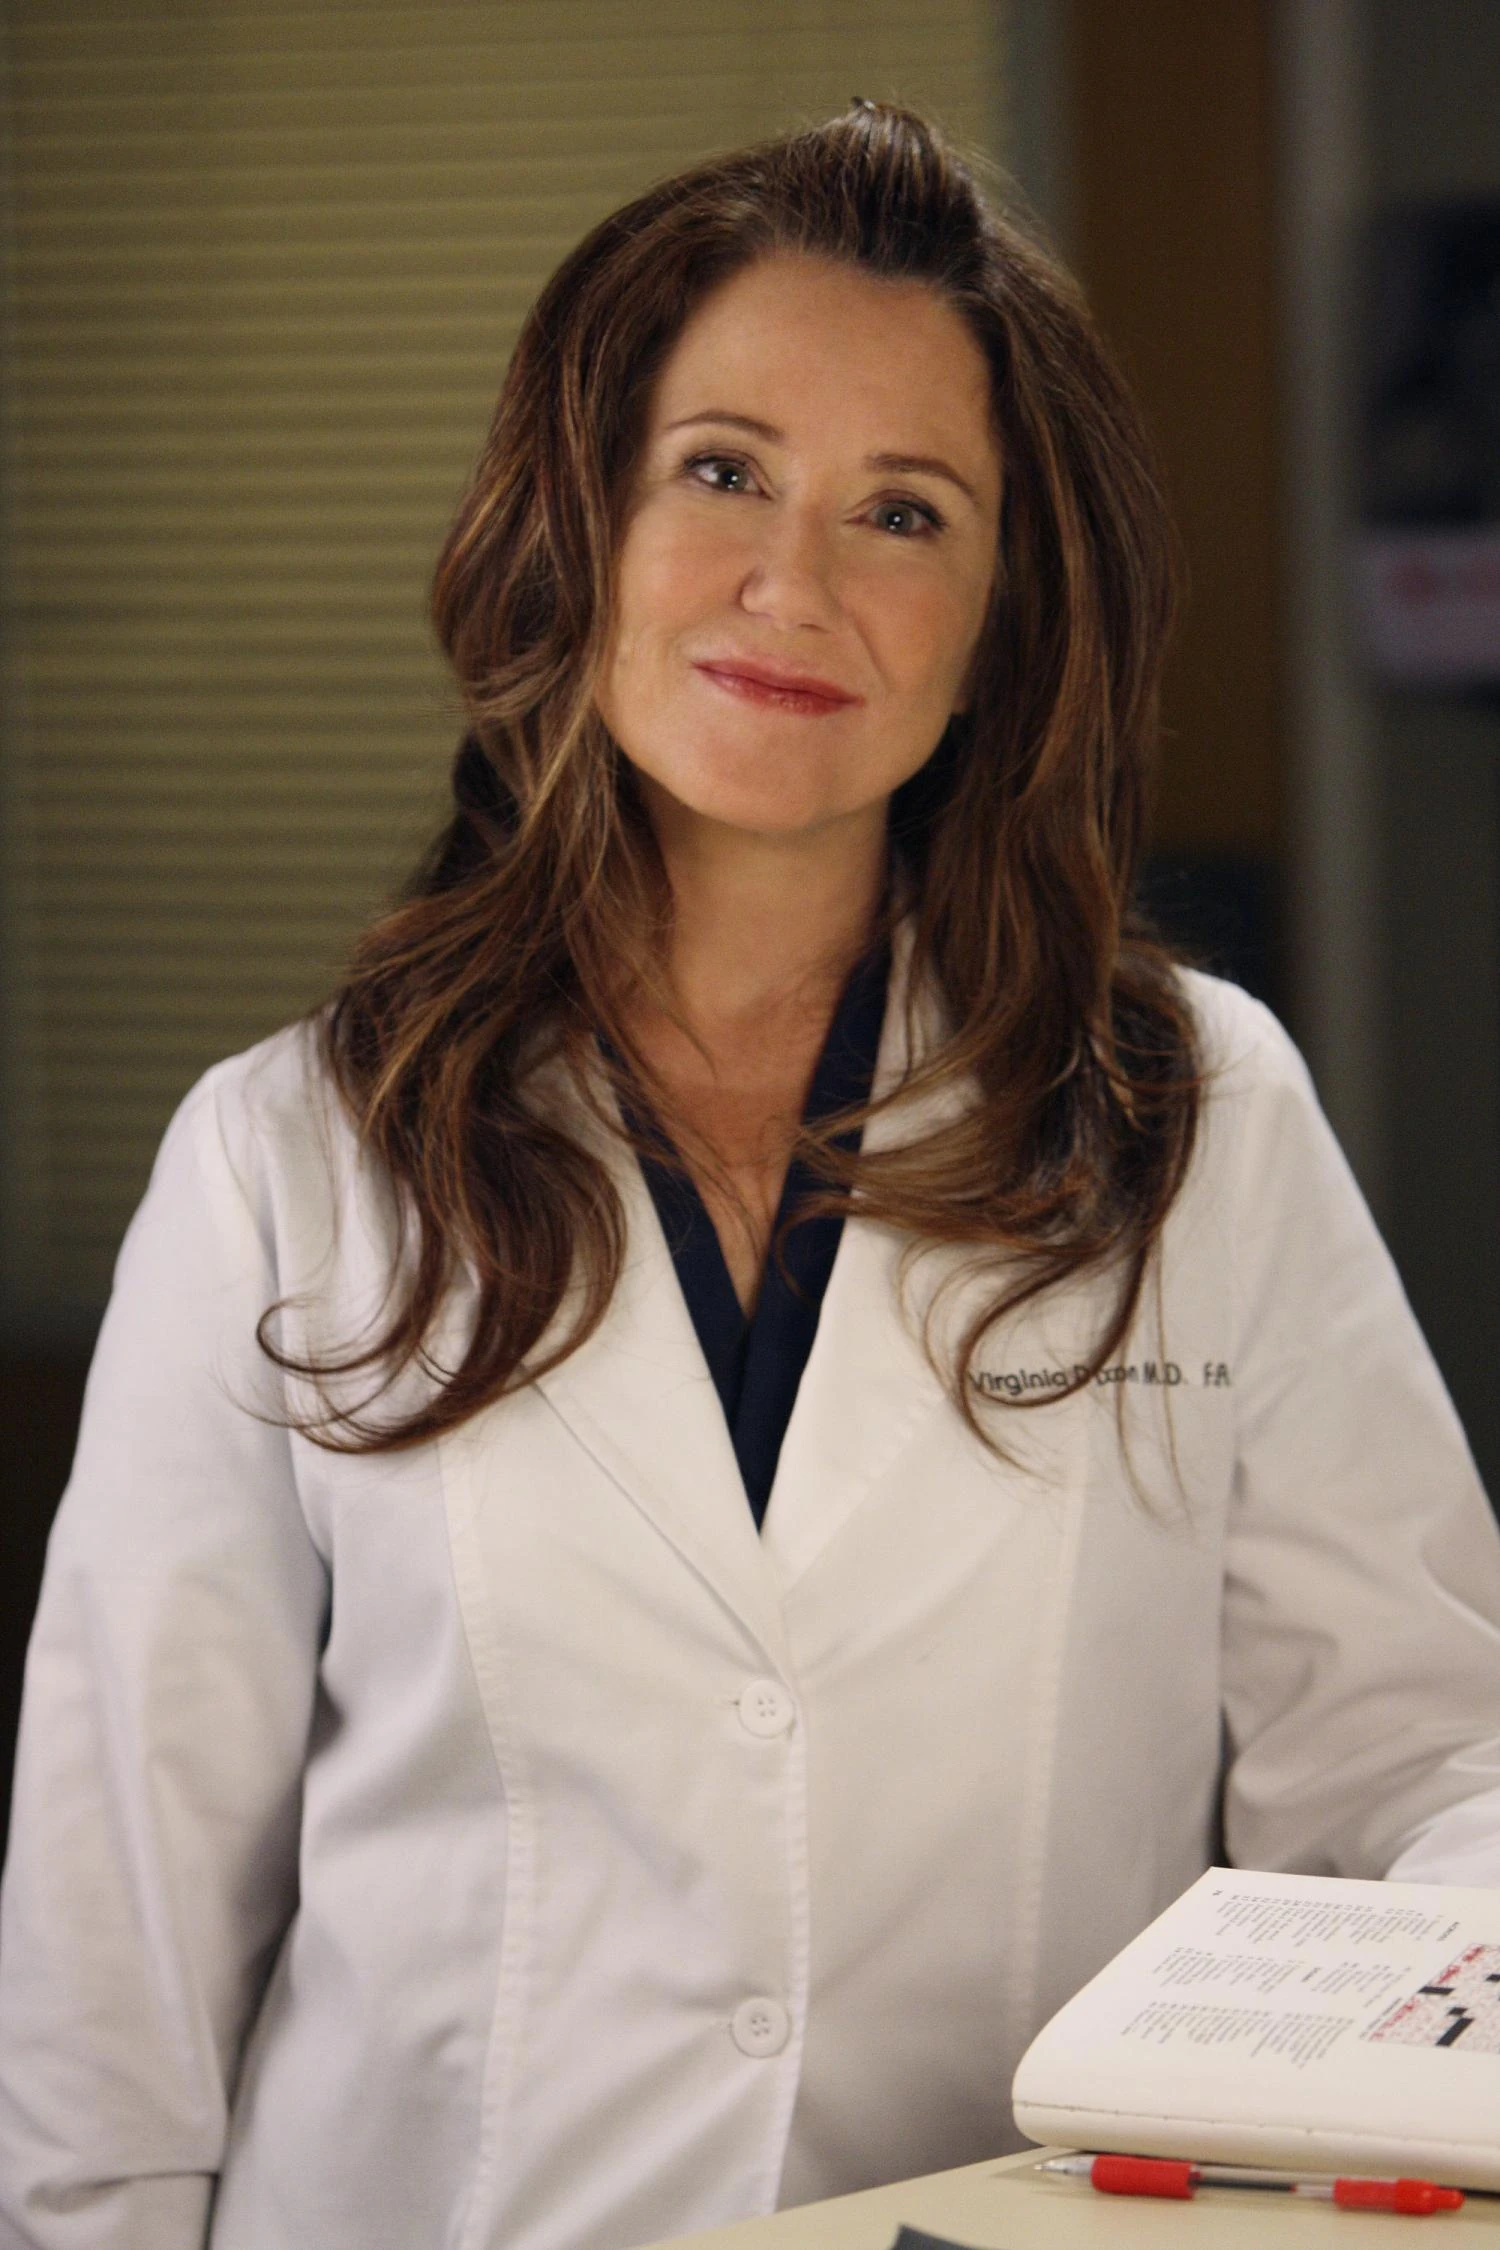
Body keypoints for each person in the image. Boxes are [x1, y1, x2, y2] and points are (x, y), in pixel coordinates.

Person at [1, 100, 1499, 2250]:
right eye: (721, 471)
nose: (794, 584)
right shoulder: (287, 1160)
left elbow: (1429, 1773)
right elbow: (114, 1939)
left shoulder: (1194, 1120)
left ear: (999, 618)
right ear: (576, 519)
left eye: (904, 511)